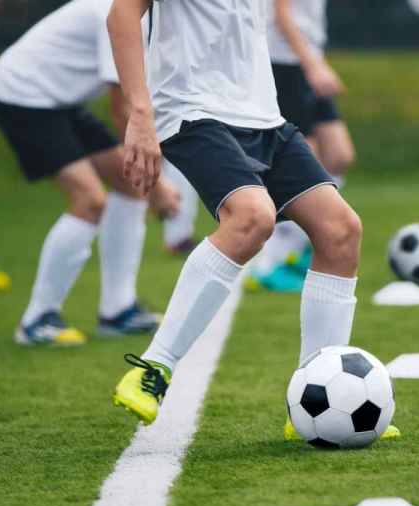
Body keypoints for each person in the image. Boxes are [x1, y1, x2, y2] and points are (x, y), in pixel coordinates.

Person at [106, 0, 398, 440]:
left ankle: (311, 401)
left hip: (263, 116)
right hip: (193, 110)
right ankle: (153, 368)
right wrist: (140, 114)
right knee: (251, 217)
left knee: (341, 231)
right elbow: (122, 13)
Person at [0, 0, 183, 346]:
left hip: (59, 101)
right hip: (21, 95)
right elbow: (124, 111)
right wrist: (158, 186)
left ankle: (118, 311)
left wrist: (148, 184)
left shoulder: (155, 15)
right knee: (89, 200)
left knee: (129, 185)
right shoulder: (117, 12)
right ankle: (37, 320)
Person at [247, 0, 357, 294]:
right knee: (301, 163)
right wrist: (314, 66)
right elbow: (281, 14)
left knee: (339, 155)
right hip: (286, 64)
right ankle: (273, 262)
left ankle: (300, 245)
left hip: (307, 61)